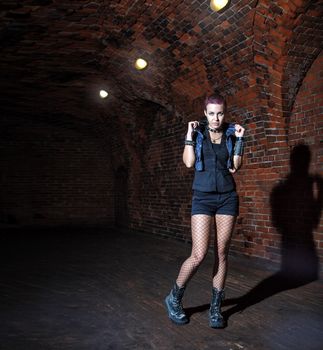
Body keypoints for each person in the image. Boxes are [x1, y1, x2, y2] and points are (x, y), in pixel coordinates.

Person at [164, 93, 245, 328]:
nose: (216, 118)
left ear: (224, 113)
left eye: (220, 113)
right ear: (205, 113)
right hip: (203, 198)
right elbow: (189, 163)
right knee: (199, 254)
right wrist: (189, 136)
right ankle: (174, 298)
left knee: (221, 253)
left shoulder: (232, 132)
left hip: (227, 198)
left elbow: (235, 166)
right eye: (211, 113)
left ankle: (216, 308)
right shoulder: (197, 132)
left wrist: (240, 140)